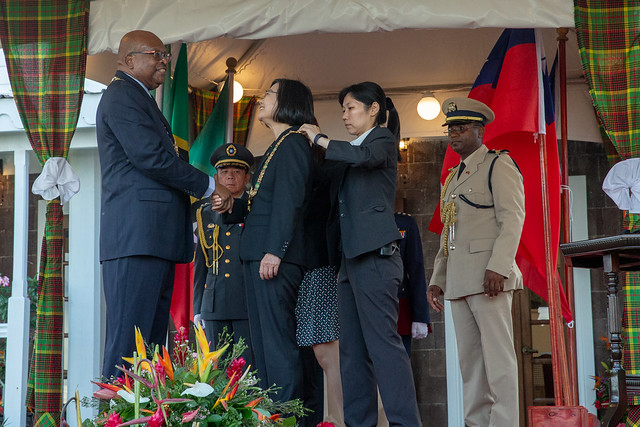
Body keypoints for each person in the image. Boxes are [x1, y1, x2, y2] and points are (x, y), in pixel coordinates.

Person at [96, 30, 232, 380]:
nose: (164, 61)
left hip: (152, 239)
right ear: (130, 60)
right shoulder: (122, 96)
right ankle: (114, 417)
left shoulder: (138, 98)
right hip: (136, 238)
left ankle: (145, 415)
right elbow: (152, 158)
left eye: (165, 56)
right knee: (129, 347)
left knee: (152, 350)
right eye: (157, 54)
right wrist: (208, 185)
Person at [300, 81, 421, 426]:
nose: (345, 115)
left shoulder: (380, 139)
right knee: (351, 353)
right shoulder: (348, 150)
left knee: (384, 348)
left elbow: (363, 156)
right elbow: (325, 177)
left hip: (377, 257)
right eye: (343, 109)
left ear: (373, 110)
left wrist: (322, 139)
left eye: (351, 108)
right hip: (349, 261)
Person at [427, 97, 525, 427]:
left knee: (498, 362)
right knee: (471, 365)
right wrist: (438, 278)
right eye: (450, 129)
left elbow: (512, 218)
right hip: (459, 280)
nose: (454, 134)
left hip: (489, 278)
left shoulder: (498, 165)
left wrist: (499, 266)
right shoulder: (452, 177)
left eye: (461, 128)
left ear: (480, 132)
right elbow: (448, 232)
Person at [225, 79, 318, 424]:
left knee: (278, 345)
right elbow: (259, 204)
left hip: (273, 258)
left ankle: (288, 417)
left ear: (287, 102)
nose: (261, 100)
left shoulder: (293, 143)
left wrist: (275, 251)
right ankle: (271, 416)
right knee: (262, 346)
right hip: (259, 255)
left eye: (268, 95)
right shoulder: (277, 145)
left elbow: (289, 201)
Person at [193, 143, 254, 368]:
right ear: (216, 177)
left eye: (236, 172)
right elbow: (201, 264)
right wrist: (198, 307)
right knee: (215, 372)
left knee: (247, 371)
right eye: (224, 172)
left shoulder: (254, 207)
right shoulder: (205, 212)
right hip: (214, 303)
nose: (230, 177)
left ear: (247, 177)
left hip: (246, 301)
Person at [295, 144, 344, 426]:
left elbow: (335, 226)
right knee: (324, 355)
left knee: (330, 353)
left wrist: (337, 266)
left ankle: (341, 419)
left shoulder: (325, 179)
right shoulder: (307, 182)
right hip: (310, 272)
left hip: (325, 270)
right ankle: (334, 418)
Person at [394, 211, 430, 355]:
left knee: (399, 363)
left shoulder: (404, 223)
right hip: (367, 305)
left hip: (399, 304)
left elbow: (416, 270)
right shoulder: (358, 222)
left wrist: (421, 316)